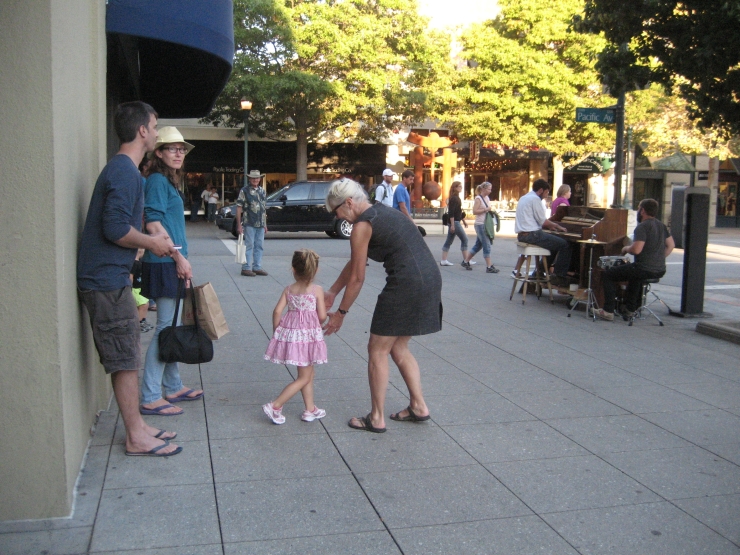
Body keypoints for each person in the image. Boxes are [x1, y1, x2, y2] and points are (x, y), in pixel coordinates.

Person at [77, 101, 181, 457]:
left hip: (111, 277)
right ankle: (135, 436)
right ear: (141, 131)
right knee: (125, 358)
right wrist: (151, 242)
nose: (155, 133)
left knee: (128, 354)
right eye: (154, 127)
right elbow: (116, 228)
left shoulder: (125, 171)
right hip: (105, 282)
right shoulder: (124, 171)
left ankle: (139, 425)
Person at [323, 178, 442, 433]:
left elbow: (357, 277)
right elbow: (357, 262)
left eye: (337, 211)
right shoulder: (383, 211)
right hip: (429, 278)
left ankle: (376, 418)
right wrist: (333, 291)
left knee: (377, 349)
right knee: (398, 345)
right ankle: (419, 406)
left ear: (349, 202)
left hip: (405, 284)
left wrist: (340, 314)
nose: (338, 217)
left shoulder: (362, 225)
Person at [139, 126, 204, 416]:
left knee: (172, 327)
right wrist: (179, 258)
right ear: (159, 153)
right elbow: (152, 223)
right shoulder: (156, 180)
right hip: (165, 262)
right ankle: (151, 396)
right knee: (165, 329)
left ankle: (173, 385)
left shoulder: (169, 181)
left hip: (171, 262)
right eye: (172, 148)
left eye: (181, 149)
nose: (178, 153)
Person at [262, 249, 328, 424]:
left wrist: (278, 333)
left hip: (292, 336)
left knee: (308, 372)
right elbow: (322, 316)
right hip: (308, 337)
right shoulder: (317, 290)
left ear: (293, 269)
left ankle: (310, 409)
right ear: (316, 270)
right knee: (305, 376)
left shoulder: (289, 289)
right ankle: (275, 405)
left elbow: (277, 311)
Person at [593, 198, 675, 321]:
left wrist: (626, 248)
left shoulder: (642, 227)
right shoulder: (661, 225)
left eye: (639, 209)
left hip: (644, 267)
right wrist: (659, 258)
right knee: (635, 277)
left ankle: (608, 310)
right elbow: (671, 245)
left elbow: (636, 250)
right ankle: (630, 310)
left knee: (608, 275)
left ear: (642, 211)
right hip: (659, 269)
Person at [514, 179, 572, 286]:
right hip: (532, 234)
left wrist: (551, 227)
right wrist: (557, 226)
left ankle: (539, 272)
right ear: (541, 190)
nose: (546, 196)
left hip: (522, 235)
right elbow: (543, 221)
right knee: (565, 244)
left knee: (553, 243)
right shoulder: (535, 199)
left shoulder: (524, 197)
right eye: (546, 192)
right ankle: (559, 276)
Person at [462, 182, 500, 273]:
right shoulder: (478, 198)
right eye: (488, 189)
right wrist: (485, 209)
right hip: (480, 224)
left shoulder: (487, 198)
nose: (490, 191)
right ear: (483, 189)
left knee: (478, 245)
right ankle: (489, 266)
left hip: (485, 223)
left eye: (491, 189)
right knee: (486, 244)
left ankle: (466, 261)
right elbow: (474, 211)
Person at [236, 170, 268, 277]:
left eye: (257, 178)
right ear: (249, 179)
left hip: (260, 222)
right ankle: (246, 267)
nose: (255, 180)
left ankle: (256, 267)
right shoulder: (244, 191)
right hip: (249, 222)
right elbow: (239, 207)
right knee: (249, 245)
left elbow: (263, 209)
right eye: (253, 178)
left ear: (259, 179)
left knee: (259, 245)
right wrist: (239, 225)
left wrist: (265, 224)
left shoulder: (262, 191)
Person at [440, 181, 469, 266]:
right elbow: (451, 212)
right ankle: (466, 260)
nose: (461, 188)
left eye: (461, 186)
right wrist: (452, 225)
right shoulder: (454, 198)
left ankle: (443, 260)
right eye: (459, 186)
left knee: (449, 241)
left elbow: (458, 211)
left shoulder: (456, 197)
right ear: (455, 188)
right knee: (464, 239)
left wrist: (463, 221)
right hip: (454, 222)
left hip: (455, 221)